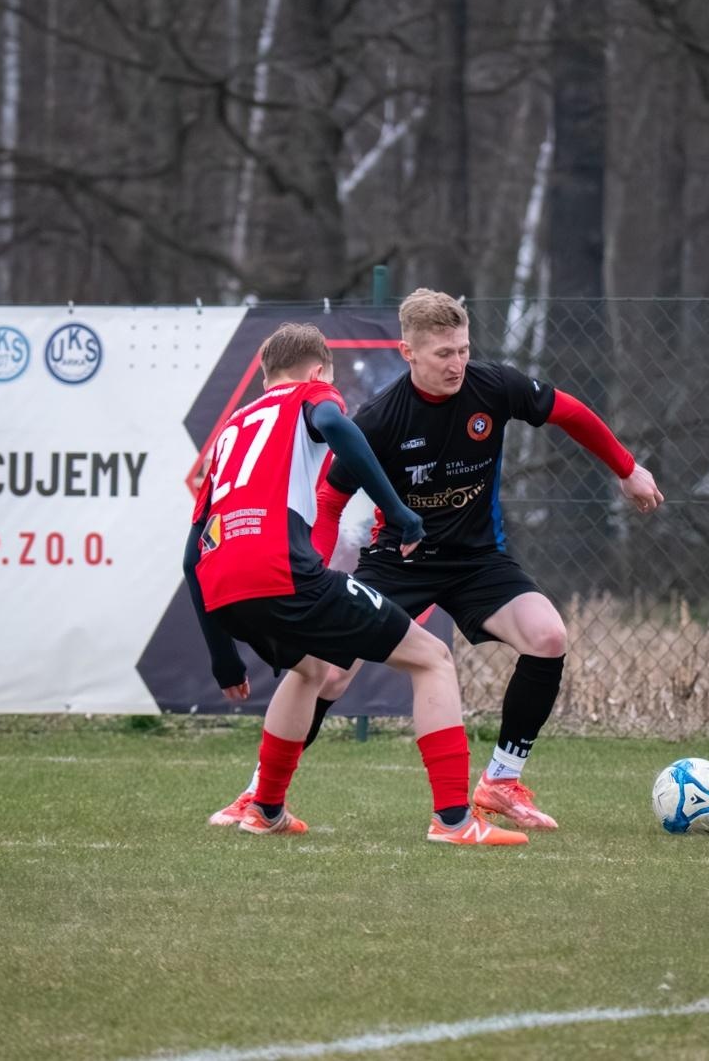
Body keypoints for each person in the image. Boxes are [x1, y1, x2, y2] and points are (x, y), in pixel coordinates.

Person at [210, 290, 665, 830]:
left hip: (478, 561)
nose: (457, 364)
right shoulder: (380, 418)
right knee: (327, 674)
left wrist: (627, 468)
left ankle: (499, 782)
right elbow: (330, 500)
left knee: (548, 637)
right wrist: (318, 570)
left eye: (463, 350)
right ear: (408, 352)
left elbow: (569, 411)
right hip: (398, 563)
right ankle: (259, 794)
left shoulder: (494, 387)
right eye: (443, 354)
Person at [184, 321, 528, 846]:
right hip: (282, 571)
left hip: (223, 583)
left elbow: (191, 559)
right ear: (318, 370)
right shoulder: (312, 392)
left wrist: (222, 657)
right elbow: (337, 426)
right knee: (432, 658)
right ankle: (455, 821)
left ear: (264, 377)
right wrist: (400, 512)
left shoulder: (233, 427)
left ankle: (264, 809)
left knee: (311, 669)